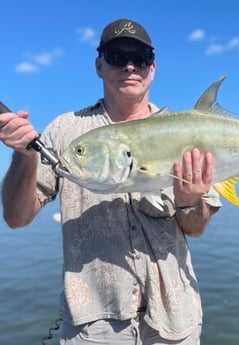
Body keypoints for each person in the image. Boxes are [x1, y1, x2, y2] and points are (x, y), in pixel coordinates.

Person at [0, 18, 221, 344]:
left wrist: (189, 201)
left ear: (153, 68)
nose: (130, 66)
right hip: (94, 324)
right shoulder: (66, 131)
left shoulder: (184, 132)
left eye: (141, 58)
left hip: (175, 318)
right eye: (118, 56)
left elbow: (196, 228)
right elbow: (17, 218)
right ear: (99, 65)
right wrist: (24, 155)